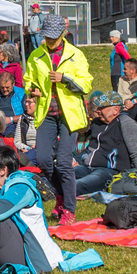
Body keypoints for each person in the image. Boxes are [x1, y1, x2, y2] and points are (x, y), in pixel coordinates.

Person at [22, 13, 90, 227]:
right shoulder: (36, 55)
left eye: (54, 36)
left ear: (63, 34)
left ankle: (69, 209)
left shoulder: (76, 55)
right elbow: (28, 80)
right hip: (45, 113)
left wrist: (65, 79)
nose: (50, 40)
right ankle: (60, 195)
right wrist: (30, 89)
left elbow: (86, 85)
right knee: (41, 160)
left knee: (63, 162)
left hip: (69, 116)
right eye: (47, 36)